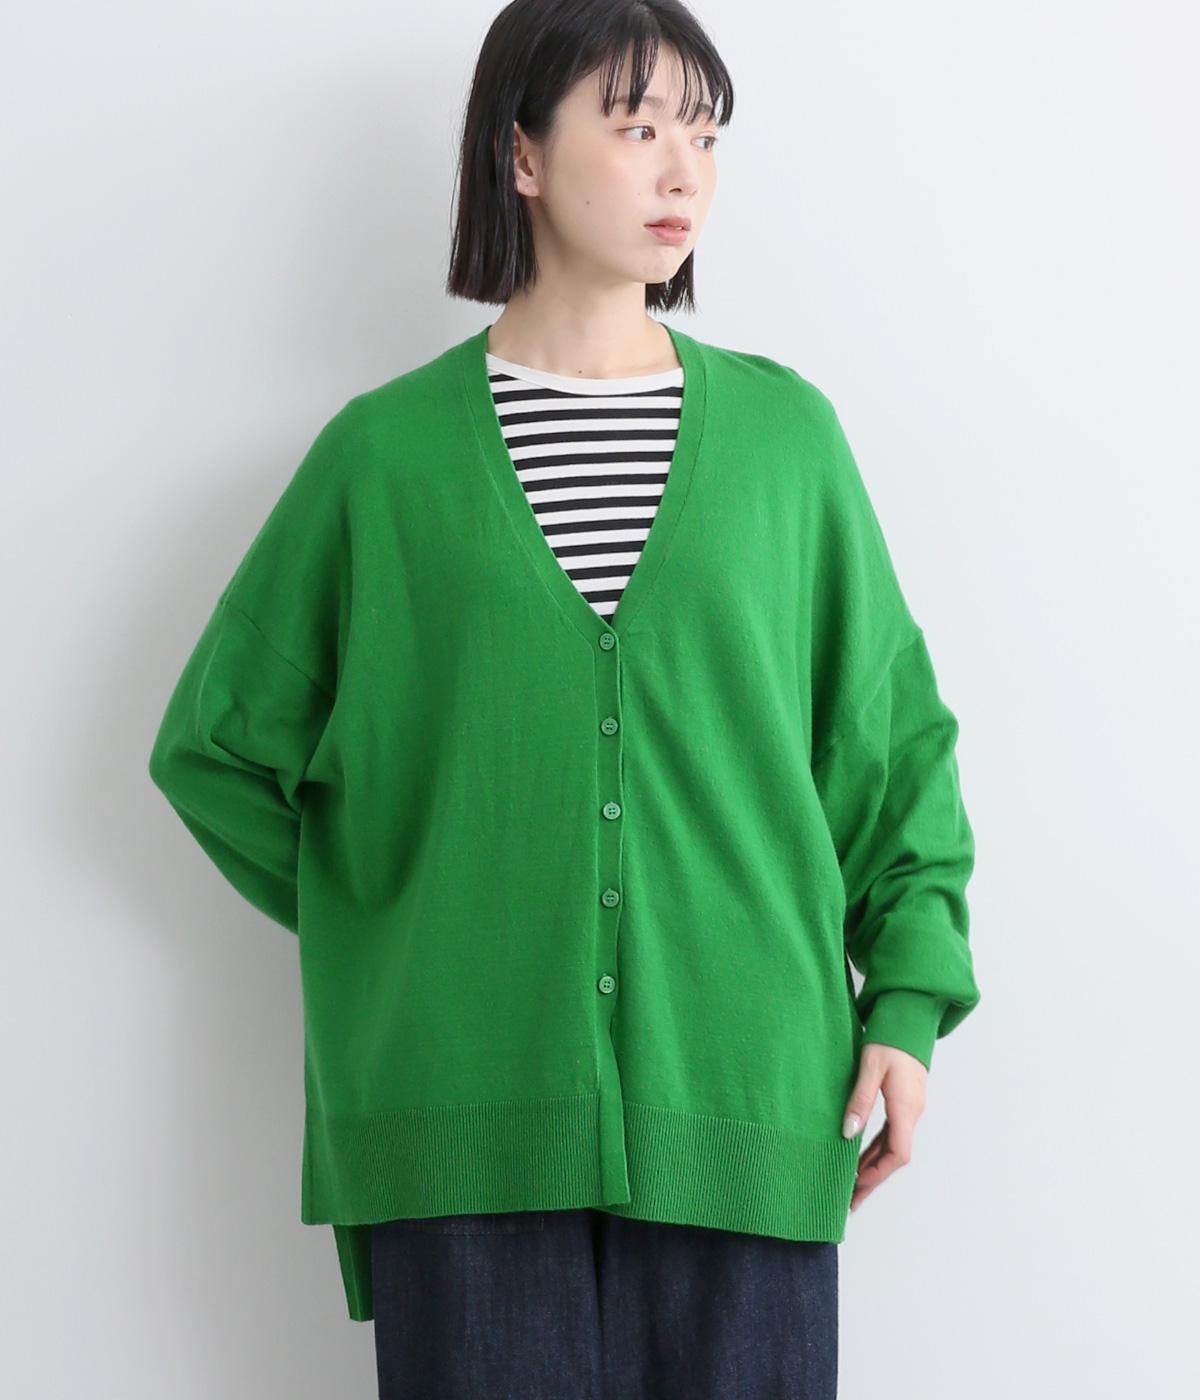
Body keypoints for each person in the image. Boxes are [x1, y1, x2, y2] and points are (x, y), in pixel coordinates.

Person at [148, 2, 981, 1396]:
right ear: (522, 156)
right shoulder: (383, 461)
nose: (682, 171)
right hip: (460, 1128)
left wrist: (904, 1004)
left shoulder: (787, 444)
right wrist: (403, 915)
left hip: (751, 1104)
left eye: (704, 134)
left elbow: (890, 754)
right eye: (637, 125)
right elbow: (217, 746)